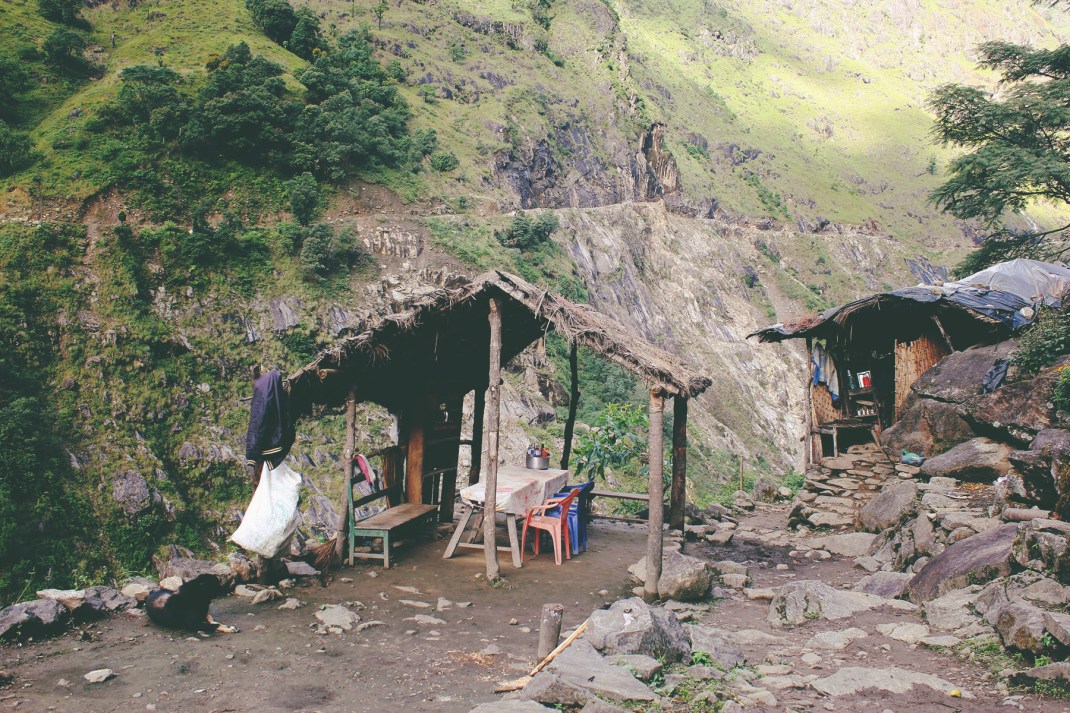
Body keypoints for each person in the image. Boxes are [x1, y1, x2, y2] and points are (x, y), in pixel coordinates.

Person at [244, 366, 295, 486]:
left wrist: (252, 453)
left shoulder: (262, 392)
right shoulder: (272, 390)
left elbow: (257, 420)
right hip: (274, 442)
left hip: (267, 445)